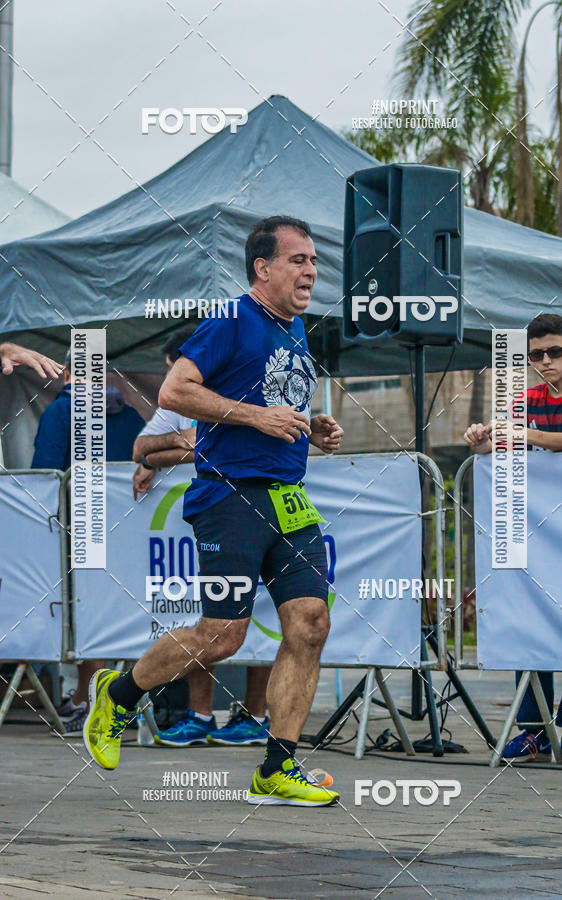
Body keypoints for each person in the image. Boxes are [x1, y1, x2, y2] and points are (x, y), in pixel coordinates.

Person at [85, 215, 344, 807]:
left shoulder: (295, 328)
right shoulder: (232, 318)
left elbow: (276, 405)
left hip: (289, 499)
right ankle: (119, 694)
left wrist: (311, 428)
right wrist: (256, 418)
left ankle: (277, 769)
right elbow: (177, 392)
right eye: (297, 260)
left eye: (313, 260)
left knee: (310, 623)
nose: (309, 271)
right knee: (222, 636)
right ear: (263, 267)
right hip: (231, 497)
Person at [464, 313, 562, 764]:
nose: (544, 361)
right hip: (536, 532)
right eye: (535, 354)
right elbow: (498, 445)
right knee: (531, 618)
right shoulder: (523, 401)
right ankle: (532, 730)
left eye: (554, 352)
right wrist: (482, 439)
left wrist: (523, 435)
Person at [133, 328, 272, 748]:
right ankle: (200, 715)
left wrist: (184, 450)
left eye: (178, 369)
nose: (173, 380)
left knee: (262, 613)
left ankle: (255, 714)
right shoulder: (178, 400)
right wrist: (181, 442)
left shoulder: (246, 384)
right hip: (209, 516)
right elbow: (141, 448)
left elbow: (235, 449)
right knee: (212, 617)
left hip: (260, 508)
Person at [32, 350, 145, 734]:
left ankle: (84, 699)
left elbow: (43, 476)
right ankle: (112, 698)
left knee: (85, 614)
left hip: (79, 529)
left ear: (65, 372)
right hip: (129, 531)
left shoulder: (59, 413)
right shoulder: (129, 415)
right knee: (117, 613)